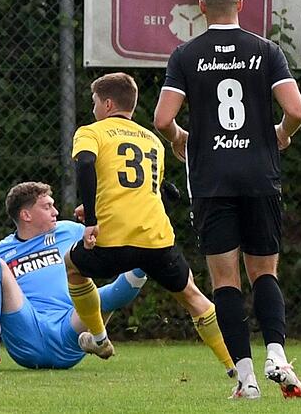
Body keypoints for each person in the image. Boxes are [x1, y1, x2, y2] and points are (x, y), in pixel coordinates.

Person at [152, 0, 301, 400]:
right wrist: (281, 133)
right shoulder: (266, 51)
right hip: (259, 176)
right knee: (264, 272)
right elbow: (296, 110)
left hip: (212, 179)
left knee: (225, 281)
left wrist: (179, 138)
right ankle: (277, 355)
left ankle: (247, 378)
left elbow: (163, 119)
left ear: (201, 7)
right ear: (240, 3)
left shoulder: (186, 55)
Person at [64, 72, 236, 379]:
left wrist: (91, 220)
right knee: (194, 297)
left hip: (113, 240)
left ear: (107, 103)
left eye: (94, 103)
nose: (92, 109)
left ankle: (100, 339)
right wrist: (94, 206)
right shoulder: (152, 141)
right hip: (156, 239)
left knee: (73, 267)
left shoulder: (91, 132)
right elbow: (136, 191)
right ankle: (236, 370)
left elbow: (87, 165)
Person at [0, 181, 148, 371]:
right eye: (47, 207)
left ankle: (98, 339)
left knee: (137, 259)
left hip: (70, 329)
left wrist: (95, 219)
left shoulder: (70, 231)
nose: (56, 212)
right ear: (26, 215)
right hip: (28, 332)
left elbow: (117, 235)